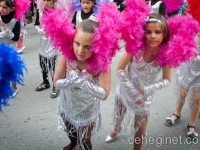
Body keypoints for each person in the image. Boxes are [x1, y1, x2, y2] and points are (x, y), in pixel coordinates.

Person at [41, 2, 120, 149]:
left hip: (87, 111)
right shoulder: (67, 55)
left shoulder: (101, 61)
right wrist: (71, 81)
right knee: (71, 132)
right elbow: (56, 82)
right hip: (67, 105)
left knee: (86, 140)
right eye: (77, 43)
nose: (80, 50)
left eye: (87, 46)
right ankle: (73, 143)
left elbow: (104, 94)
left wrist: (80, 81)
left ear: (96, 46)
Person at [105, 13, 171, 150]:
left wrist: (146, 90)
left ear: (164, 34)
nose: (153, 36)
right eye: (148, 32)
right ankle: (116, 128)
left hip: (144, 98)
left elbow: (167, 79)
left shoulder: (165, 55)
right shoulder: (136, 48)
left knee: (140, 128)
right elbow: (119, 68)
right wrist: (133, 93)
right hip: (126, 90)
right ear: (142, 33)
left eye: (157, 32)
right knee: (119, 112)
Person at [165, 33, 200, 140]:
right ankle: (177, 113)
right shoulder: (193, 27)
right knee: (182, 93)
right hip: (188, 66)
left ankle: (191, 124)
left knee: (197, 98)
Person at [34, 0, 60, 98]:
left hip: (52, 43)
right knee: (42, 63)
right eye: (44, 0)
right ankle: (46, 82)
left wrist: (52, 31)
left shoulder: (57, 13)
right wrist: (40, 30)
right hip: (43, 42)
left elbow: (60, 27)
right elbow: (36, 24)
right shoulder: (40, 11)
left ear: (53, 2)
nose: (46, 3)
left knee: (53, 66)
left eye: (48, 0)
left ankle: (55, 85)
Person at [0, 0, 20, 96]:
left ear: (11, 9)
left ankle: (14, 86)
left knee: (11, 68)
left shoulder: (15, 21)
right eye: (0, 6)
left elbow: (16, 37)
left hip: (11, 48)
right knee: (2, 68)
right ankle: (5, 86)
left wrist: (8, 33)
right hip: (1, 47)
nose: (1, 9)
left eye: (4, 7)